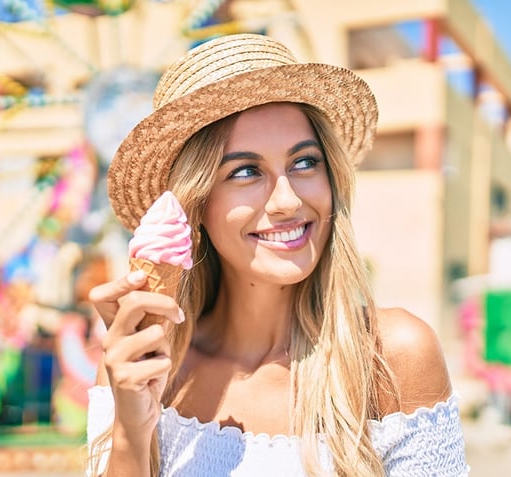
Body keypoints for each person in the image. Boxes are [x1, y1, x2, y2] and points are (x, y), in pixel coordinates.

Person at [86, 33, 469, 476]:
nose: (287, 200)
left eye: (305, 162)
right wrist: (132, 433)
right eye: (245, 171)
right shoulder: (138, 369)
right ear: (195, 206)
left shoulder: (394, 359)